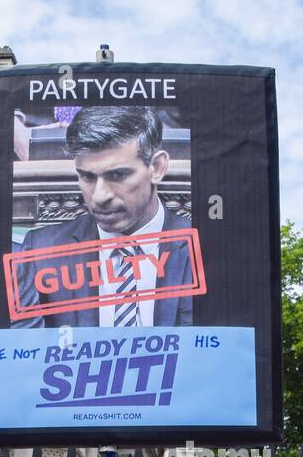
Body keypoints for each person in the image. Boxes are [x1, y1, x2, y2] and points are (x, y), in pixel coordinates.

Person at [14, 105, 195, 328]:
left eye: (117, 175)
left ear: (157, 168)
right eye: (87, 177)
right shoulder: (40, 251)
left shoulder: (202, 249)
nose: (99, 197)